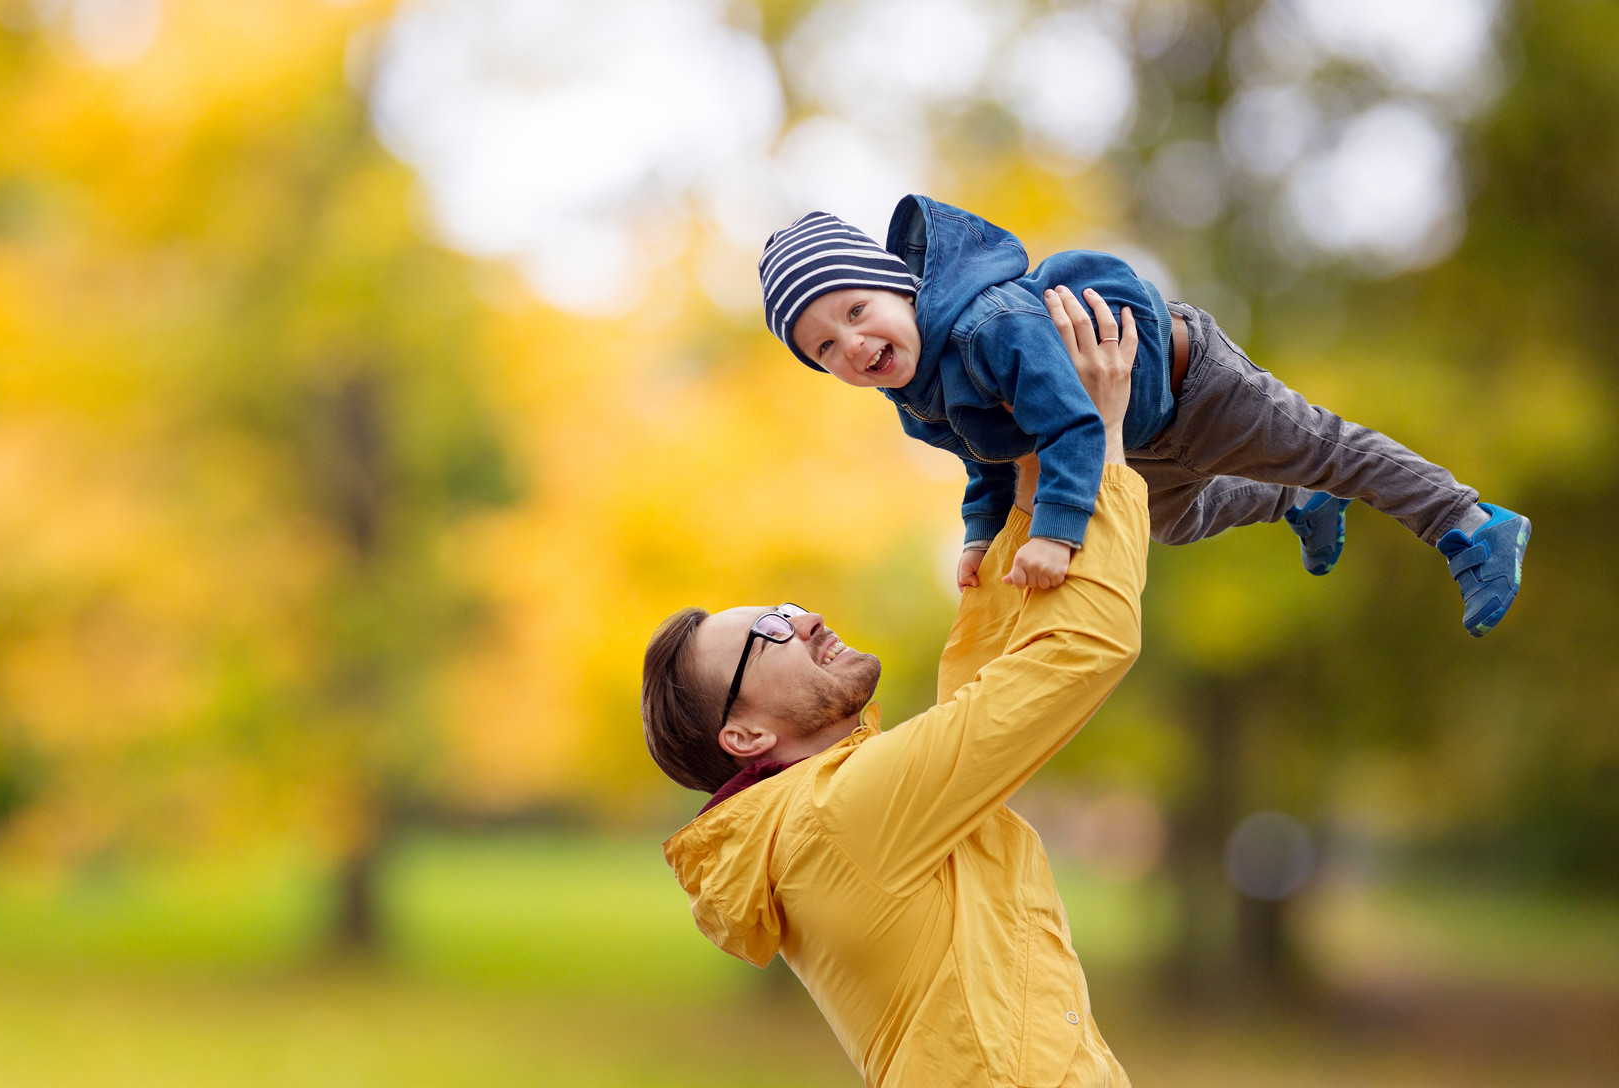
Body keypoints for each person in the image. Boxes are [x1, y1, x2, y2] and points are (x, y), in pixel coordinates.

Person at [644, 289, 1146, 1087]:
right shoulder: (838, 819)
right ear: (744, 738)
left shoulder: (831, 816)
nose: (803, 615)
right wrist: (1104, 449)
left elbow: (980, 697)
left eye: (783, 605)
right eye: (767, 632)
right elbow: (1079, 652)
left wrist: (1027, 489)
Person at [759, 196, 1531, 637]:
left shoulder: (987, 325)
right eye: (825, 347)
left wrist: (1057, 536)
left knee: (1326, 449)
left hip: (1192, 386)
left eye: (858, 311)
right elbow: (987, 459)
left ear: (899, 287)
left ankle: (1469, 521)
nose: (854, 344)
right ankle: (1295, 503)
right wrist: (979, 535)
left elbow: (1069, 427)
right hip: (1136, 435)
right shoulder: (915, 396)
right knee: (1169, 524)